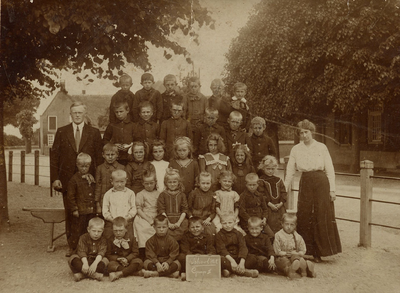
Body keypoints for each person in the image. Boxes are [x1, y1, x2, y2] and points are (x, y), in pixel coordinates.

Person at [284, 119, 341, 262]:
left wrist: (332, 190)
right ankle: (307, 250)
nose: (304, 135)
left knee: (321, 213)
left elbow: (329, 169)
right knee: (305, 213)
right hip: (306, 181)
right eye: (301, 133)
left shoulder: (321, 147)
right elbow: (290, 170)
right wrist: (284, 189)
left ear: (312, 132)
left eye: (306, 132)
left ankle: (321, 251)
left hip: (321, 182)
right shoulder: (296, 149)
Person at [51, 101, 103, 256]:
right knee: (71, 212)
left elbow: (99, 157)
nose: (77, 115)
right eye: (75, 112)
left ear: (85, 113)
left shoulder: (93, 132)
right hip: (67, 180)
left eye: (80, 112)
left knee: (88, 213)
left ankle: (88, 245)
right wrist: (55, 178)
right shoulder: (62, 132)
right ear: (70, 114)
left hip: (88, 181)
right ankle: (73, 245)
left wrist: (96, 178)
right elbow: (54, 157)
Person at [67, 153, 96, 251]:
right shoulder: (74, 180)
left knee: (89, 230)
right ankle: (74, 248)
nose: (84, 168)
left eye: (86, 166)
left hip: (90, 210)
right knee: (78, 230)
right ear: (77, 165)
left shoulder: (91, 178)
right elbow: (70, 196)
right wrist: (74, 209)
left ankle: (87, 248)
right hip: (80, 211)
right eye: (81, 166)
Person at [215, 213, 258, 278]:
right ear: (220, 223)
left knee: (253, 258)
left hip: (238, 257)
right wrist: (232, 261)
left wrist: (242, 263)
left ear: (234, 222)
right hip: (227, 258)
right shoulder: (218, 235)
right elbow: (222, 249)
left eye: (230, 222)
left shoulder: (238, 234)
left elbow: (243, 247)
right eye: (224, 223)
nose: (227, 225)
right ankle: (245, 272)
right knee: (220, 259)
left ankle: (229, 271)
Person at [274, 213, 316, 279]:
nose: (289, 227)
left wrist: (298, 253)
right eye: (286, 224)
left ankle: (305, 270)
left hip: (294, 255)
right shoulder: (278, 235)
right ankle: (290, 270)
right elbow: (276, 250)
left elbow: (303, 249)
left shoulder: (298, 236)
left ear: (295, 226)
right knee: (283, 262)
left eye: (292, 225)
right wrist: (285, 253)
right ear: (282, 224)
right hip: (282, 256)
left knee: (297, 259)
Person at [68, 217, 108, 282]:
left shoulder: (103, 240)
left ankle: (82, 275)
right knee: (73, 259)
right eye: (94, 231)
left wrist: (95, 264)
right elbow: (82, 251)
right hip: (84, 260)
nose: (96, 234)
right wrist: (85, 264)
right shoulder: (83, 237)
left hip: (96, 261)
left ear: (103, 231)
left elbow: (101, 252)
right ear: (88, 229)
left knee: (105, 261)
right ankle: (94, 275)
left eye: (99, 231)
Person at [177, 216, 216, 281]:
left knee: (215, 257)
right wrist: (192, 256)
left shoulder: (207, 236)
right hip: (191, 256)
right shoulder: (185, 237)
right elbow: (185, 249)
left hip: (203, 257)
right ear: (189, 229)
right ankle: (185, 272)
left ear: (202, 228)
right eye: (192, 227)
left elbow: (210, 247)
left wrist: (209, 254)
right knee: (181, 257)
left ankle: (206, 271)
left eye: (197, 227)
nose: (195, 229)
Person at [106, 217, 143, 281]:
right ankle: (133, 272)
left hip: (129, 260)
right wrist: (117, 258)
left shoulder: (132, 238)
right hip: (117, 262)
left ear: (126, 229)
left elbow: (135, 252)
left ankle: (121, 273)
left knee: (138, 262)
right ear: (112, 230)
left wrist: (127, 259)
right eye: (115, 231)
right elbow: (108, 254)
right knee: (110, 265)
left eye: (121, 230)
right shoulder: (110, 240)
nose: (118, 233)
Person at [102, 170, 137, 239]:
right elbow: (105, 210)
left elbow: (133, 208)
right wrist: (112, 219)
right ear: (112, 181)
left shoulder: (130, 193)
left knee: (129, 238)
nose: (119, 184)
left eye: (122, 182)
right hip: (112, 222)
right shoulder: (108, 194)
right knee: (109, 238)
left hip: (127, 222)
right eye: (117, 182)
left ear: (126, 181)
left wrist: (127, 218)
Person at [157, 168, 189, 241]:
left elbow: (184, 210)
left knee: (183, 231)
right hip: (167, 219)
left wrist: (178, 223)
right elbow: (161, 210)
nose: (172, 184)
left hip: (180, 219)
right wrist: (168, 223)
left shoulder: (182, 195)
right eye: (170, 182)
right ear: (166, 183)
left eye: (174, 182)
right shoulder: (162, 195)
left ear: (179, 182)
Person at [238, 173, 274, 239]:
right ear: (246, 184)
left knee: (271, 235)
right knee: (249, 238)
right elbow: (241, 211)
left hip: (260, 221)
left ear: (258, 184)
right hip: (248, 223)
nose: (252, 187)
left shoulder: (260, 196)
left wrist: (264, 218)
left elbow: (265, 209)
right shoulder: (243, 196)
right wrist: (250, 220)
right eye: (250, 185)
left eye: (254, 185)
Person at [133, 170, 160, 257]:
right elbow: (139, 209)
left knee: (158, 228)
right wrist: (148, 219)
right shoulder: (140, 194)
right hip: (144, 216)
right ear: (143, 183)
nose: (149, 186)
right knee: (142, 228)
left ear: (155, 182)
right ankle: (143, 254)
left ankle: (156, 254)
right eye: (146, 183)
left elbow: (161, 208)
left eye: (151, 183)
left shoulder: (159, 194)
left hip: (156, 216)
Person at [258, 155, 287, 234]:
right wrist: (270, 205)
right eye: (268, 169)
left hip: (279, 208)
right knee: (271, 226)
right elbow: (261, 195)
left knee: (281, 224)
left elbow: (283, 193)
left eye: (272, 169)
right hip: (268, 207)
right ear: (263, 168)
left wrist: (281, 203)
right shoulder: (261, 180)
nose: (270, 171)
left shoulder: (279, 180)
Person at [103, 96, 135, 166]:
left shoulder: (133, 125)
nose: (119, 114)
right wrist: (113, 146)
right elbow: (105, 140)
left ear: (127, 110)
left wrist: (129, 147)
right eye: (116, 112)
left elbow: (138, 140)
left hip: (130, 158)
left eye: (121, 111)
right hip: (116, 159)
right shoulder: (111, 125)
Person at [94, 143, 125, 215]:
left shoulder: (122, 168)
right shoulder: (100, 168)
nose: (110, 157)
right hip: (104, 200)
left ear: (117, 155)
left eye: (112, 154)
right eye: (108, 155)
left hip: (118, 199)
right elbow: (98, 186)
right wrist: (97, 204)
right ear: (103, 155)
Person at [212, 171, 245, 235]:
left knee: (237, 231)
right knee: (219, 230)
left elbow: (237, 207)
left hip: (231, 216)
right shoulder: (216, 193)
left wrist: (234, 216)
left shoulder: (234, 194)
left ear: (232, 182)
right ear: (220, 181)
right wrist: (221, 216)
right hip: (220, 216)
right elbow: (216, 206)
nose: (227, 183)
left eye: (229, 181)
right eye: (224, 181)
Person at [187, 172, 217, 236]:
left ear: (211, 183)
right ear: (198, 183)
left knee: (210, 232)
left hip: (206, 220)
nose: (205, 185)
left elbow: (213, 211)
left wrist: (209, 219)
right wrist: (191, 217)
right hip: (195, 218)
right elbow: (188, 208)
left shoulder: (213, 194)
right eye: (203, 183)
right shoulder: (193, 193)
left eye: (208, 183)